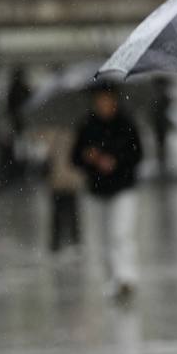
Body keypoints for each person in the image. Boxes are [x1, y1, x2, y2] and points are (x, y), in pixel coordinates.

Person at [72, 82, 143, 299]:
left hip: (123, 188)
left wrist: (116, 161)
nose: (103, 104)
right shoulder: (86, 125)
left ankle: (126, 278)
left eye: (107, 99)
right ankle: (113, 279)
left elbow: (138, 154)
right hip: (96, 191)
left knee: (121, 233)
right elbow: (75, 157)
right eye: (99, 100)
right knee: (103, 239)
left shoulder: (126, 124)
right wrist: (89, 158)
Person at [36, 125, 82, 254]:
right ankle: (68, 241)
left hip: (64, 180)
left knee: (65, 212)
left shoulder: (55, 136)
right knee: (66, 212)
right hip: (61, 181)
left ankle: (63, 242)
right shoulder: (59, 135)